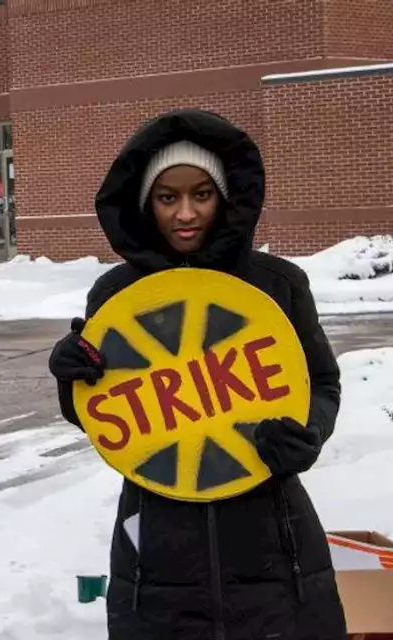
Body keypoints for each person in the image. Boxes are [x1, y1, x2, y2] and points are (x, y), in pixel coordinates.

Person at [47, 109, 345, 639]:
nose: (185, 213)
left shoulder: (278, 285)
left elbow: (321, 383)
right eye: (167, 198)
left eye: (202, 194)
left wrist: (308, 434)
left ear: (225, 197)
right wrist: (72, 378)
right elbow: (101, 411)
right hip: (158, 552)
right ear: (145, 204)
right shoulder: (115, 296)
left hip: (274, 544)